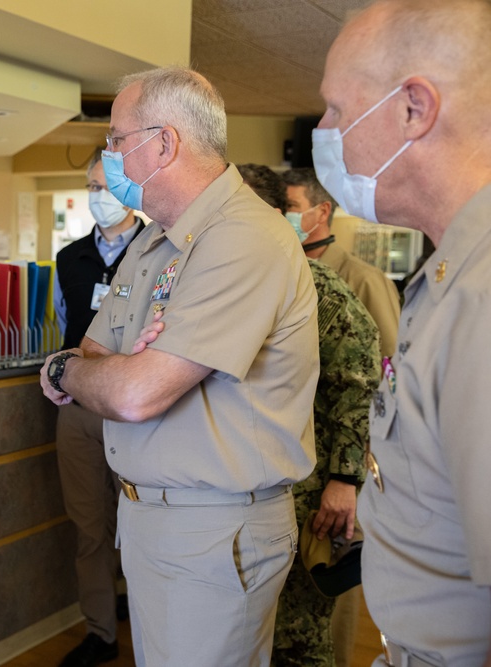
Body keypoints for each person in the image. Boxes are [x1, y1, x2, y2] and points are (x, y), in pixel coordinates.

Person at [39, 66, 319, 666]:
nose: (109, 156)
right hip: (151, 517)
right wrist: (100, 367)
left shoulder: (244, 237)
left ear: (163, 143)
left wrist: (66, 374)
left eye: (117, 139)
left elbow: (137, 393)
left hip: (213, 528)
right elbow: (92, 350)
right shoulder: (155, 238)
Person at [315, 1, 491, 665]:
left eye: (336, 108)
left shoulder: (481, 294)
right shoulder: (449, 272)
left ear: (413, 108)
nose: (326, 130)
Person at [237, 163, 380, 667]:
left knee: (297, 639)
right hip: (236, 493)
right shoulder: (214, 286)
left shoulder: (320, 288)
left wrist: (344, 479)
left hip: (302, 497)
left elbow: (359, 387)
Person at [52, 150, 144, 666]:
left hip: (136, 403)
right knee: (89, 524)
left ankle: (147, 621)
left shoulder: (160, 252)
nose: (97, 197)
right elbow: (67, 324)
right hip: (79, 404)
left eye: (105, 186)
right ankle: (101, 632)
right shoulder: (70, 259)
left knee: (140, 521)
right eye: (89, 187)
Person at [282, 167, 401, 359]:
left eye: (290, 206)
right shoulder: (281, 272)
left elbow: (390, 356)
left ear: (322, 212)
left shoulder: (363, 279)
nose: (280, 214)